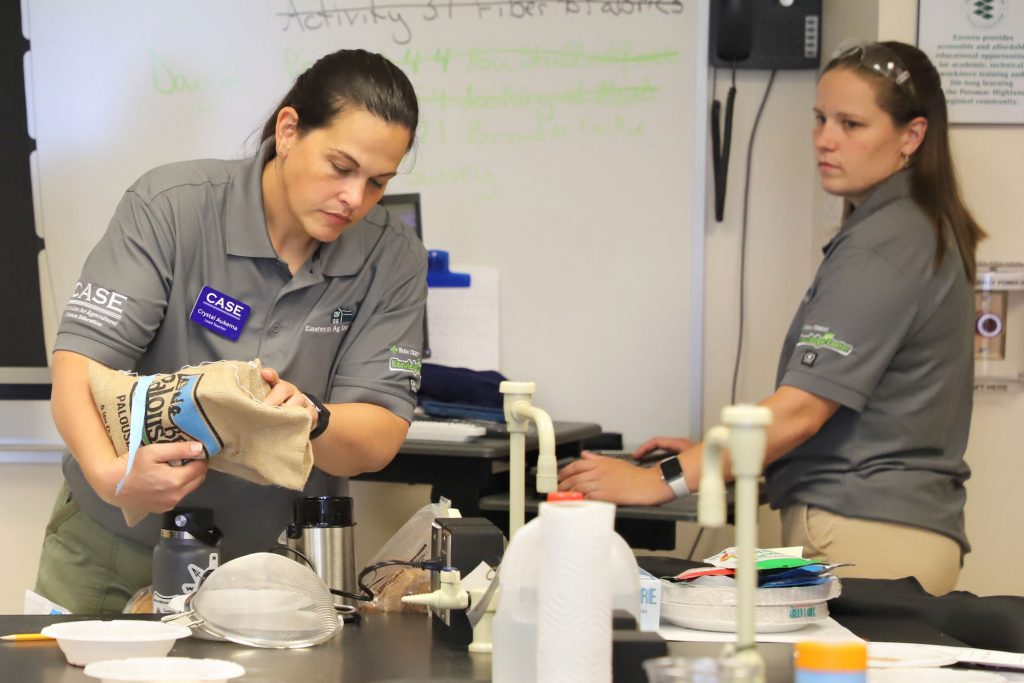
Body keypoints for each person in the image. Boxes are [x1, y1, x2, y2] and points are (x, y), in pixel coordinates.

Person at [559, 41, 984, 596]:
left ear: (911, 135)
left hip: (865, 533)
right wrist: (701, 455)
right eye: (820, 118)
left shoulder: (885, 245)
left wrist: (659, 480)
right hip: (893, 530)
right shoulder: (908, 228)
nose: (825, 140)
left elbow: (800, 412)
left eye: (851, 124)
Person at [36, 49, 427, 614]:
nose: (355, 199)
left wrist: (310, 418)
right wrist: (112, 477)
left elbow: (378, 436)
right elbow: (79, 369)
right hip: (115, 549)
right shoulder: (172, 208)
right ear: (289, 130)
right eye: (341, 168)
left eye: (377, 183)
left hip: (268, 572)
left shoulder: (392, 259)